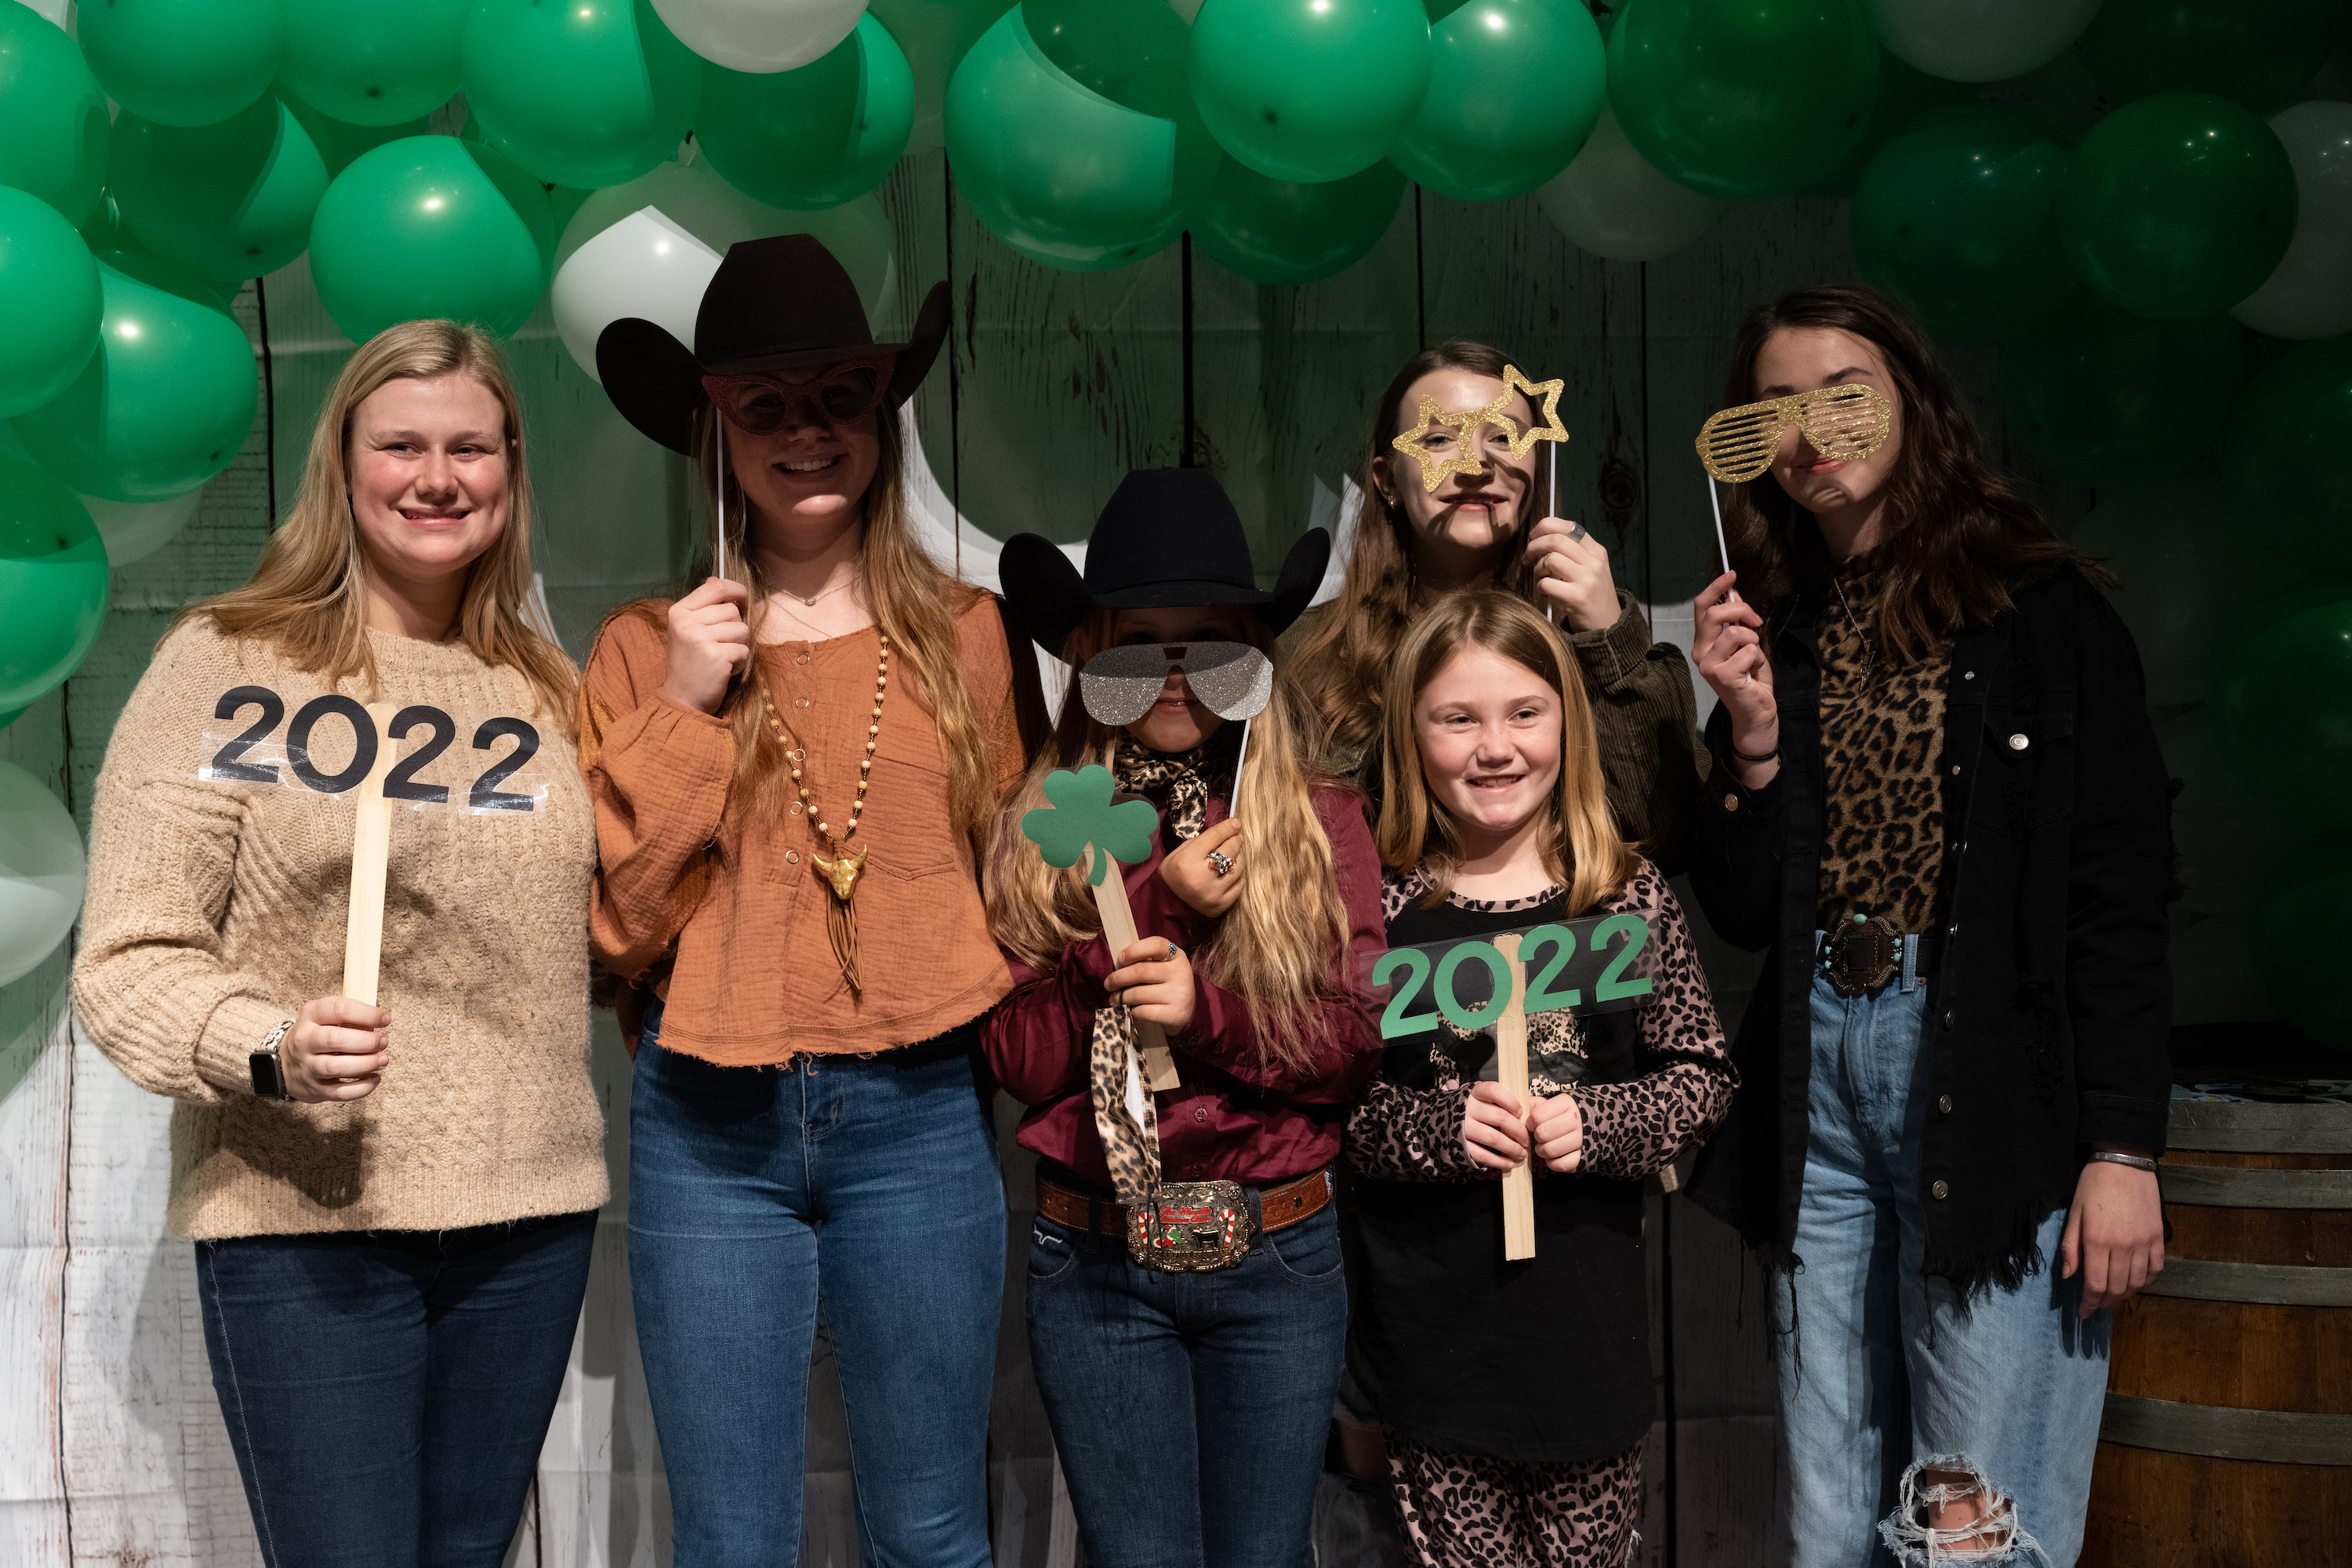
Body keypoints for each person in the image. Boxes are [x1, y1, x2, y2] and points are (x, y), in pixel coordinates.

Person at [74, 320, 602, 1566]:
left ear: (511, 469)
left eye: (470, 446)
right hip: (302, 1217)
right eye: (401, 444)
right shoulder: (226, 661)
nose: (437, 476)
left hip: (526, 1220)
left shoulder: (548, 688)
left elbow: (612, 930)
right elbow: (129, 957)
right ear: (343, 462)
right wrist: (269, 1043)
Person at [1682, 285, 2172, 1566]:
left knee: (1968, 1516)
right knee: (1833, 1518)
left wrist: (2125, 1147)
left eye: (1844, 392)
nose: (1811, 430)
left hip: (1987, 1080)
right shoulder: (1772, 631)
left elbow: (2117, 896)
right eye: (1774, 409)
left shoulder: (2043, 616)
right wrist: (1746, 735)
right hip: (1818, 1088)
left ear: (1914, 401)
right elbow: (1739, 912)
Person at [580, 234, 1029, 1566]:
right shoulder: (639, 648)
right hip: (708, 1124)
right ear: (715, 435)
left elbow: (1016, 874)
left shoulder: (966, 636)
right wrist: (682, 703)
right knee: (731, 1541)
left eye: (836, 397)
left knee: (936, 1529)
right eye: (765, 407)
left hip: (920, 1114)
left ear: (879, 417)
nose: (807, 432)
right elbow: (618, 921)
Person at [980, 469, 1385, 1567]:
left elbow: (1351, 1046)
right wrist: (1157, 904)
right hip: (1099, 1258)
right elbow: (1018, 1056)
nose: (1171, 669)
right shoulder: (1043, 820)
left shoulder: (1319, 820)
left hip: (1280, 1257)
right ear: (1092, 653)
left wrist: (1206, 1010)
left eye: (1205, 638)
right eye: (1139, 640)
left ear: (1253, 650)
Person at [1345, 589, 1735, 1566]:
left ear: (1567, 720)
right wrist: (1441, 1130)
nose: (1495, 746)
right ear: (1411, 731)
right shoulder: (1377, 904)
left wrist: (1593, 1122)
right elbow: (1338, 1104)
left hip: (1584, 1352)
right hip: (1436, 1354)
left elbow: (1700, 1074)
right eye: (1457, 718)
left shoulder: (1623, 893)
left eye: (1524, 712)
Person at [1290, 339, 1705, 866]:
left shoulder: (1586, 640)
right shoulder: (1304, 656)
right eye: (1439, 438)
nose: (1475, 466)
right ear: (1387, 480)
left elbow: (1662, 838)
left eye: (1505, 437)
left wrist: (1607, 642)